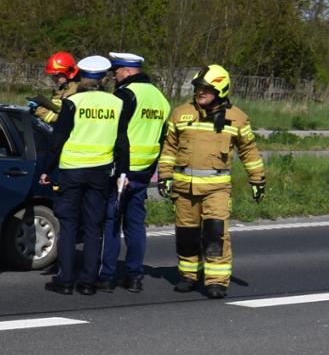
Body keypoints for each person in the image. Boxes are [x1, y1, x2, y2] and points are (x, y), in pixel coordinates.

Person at [159, 64, 265, 298]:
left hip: (216, 190)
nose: (200, 92)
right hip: (183, 188)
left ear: (221, 90)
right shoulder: (180, 113)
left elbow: (249, 151)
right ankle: (188, 275)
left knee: (215, 235)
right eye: (198, 88)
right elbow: (169, 148)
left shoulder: (236, 118)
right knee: (186, 235)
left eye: (206, 88)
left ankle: (216, 281)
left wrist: (257, 180)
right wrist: (164, 176)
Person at [39, 55, 127, 295]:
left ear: (83, 77)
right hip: (100, 172)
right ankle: (88, 283)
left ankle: (65, 281)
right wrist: (123, 172)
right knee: (93, 227)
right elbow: (122, 142)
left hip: (72, 170)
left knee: (68, 226)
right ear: (105, 78)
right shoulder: (116, 103)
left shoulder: (72, 102)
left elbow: (58, 139)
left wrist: (47, 169)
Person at [97, 52, 168, 292]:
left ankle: (106, 277)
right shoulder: (160, 98)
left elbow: (116, 134)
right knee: (135, 225)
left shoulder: (126, 94)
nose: (114, 75)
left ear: (128, 71)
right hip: (144, 171)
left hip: (122, 171)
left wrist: (118, 170)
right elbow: (162, 137)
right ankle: (135, 277)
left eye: (116, 70)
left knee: (111, 223)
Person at [28, 51, 78, 125]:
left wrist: (39, 110)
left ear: (68, 72)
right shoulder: (62, 89)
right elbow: (57, 109)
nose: (54, 79)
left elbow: (64, 120)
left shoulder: (74, 91)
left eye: (56, 75)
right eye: (52, 76)